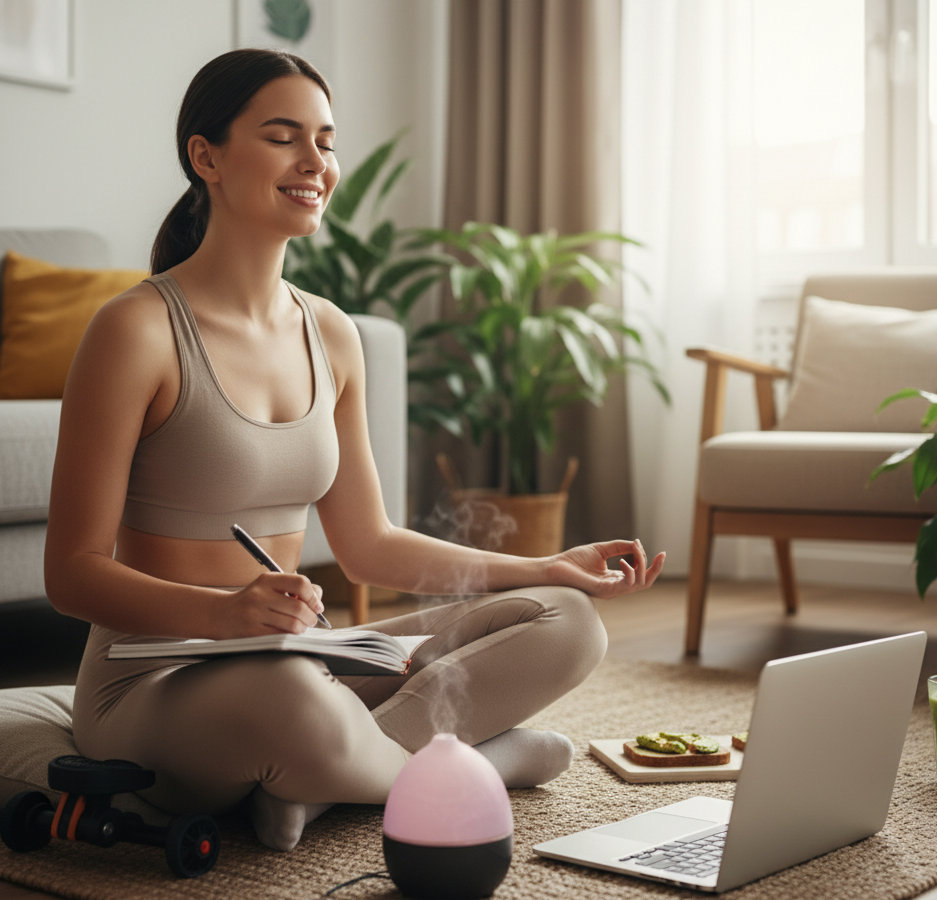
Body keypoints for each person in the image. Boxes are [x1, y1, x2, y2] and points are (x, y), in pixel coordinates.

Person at [44, 49, 666, 852]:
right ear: (207, 157)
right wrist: (225, 615)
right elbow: (71, 574)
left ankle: (321, 784)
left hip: (303, 655)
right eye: (283, 137)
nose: (317, 164)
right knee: (294, 704)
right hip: (155, 680)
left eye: (327, 141)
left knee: (570, 624)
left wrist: (547, 567)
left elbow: (369, 547)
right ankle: (488, 763)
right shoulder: (135, 331)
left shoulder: (332, 333)